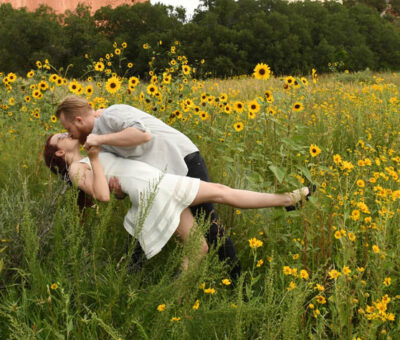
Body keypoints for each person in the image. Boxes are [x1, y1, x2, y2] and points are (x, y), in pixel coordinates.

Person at [43, 133, 314, 263]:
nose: (65, 134)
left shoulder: (86, 158)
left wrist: (119, 188)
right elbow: (101, 195)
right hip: (152, 189)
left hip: (153, 182)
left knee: (203, 239)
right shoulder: (76, 167)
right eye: (60, 137)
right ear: (57, 152)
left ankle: (289, 200)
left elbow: (112, 185)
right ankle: (288, 199)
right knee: (219, 197)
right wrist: (93, 159)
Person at [55, 96, 241, 275]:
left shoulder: (111, 114)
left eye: (68, 128)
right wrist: (119, 190)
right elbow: (127, 168)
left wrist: (101, 140)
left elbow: (143, 135)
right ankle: (129, 277)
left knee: (210, 226)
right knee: (142, 223)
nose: (69, 134)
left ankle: (236, 281)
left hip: (184, 161)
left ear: (78, 120)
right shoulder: (96, 139)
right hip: (162, 179)